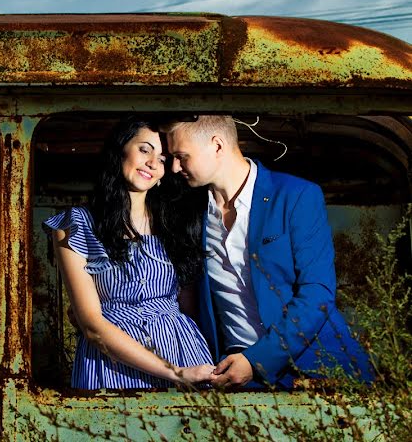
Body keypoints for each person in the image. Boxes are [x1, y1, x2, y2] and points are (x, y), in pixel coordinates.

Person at [164, 115, 372, 388]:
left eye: (182, 156)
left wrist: (257, 360)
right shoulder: (187, 212)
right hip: (233, 376)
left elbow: (318, 293)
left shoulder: (296, 196)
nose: (175, 167)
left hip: (319, 369)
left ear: (217, 145)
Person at [44, 118, 215, 389]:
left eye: (162, 158)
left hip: (183, 353)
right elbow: (91, 326)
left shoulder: (176, 224)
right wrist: (174, 372)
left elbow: (190, 308)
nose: (152, 163)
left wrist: (187, 370)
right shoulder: (76, 224)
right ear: (119, 151)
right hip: (114, 365)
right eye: (144, 150)